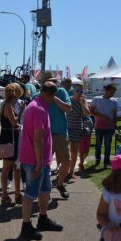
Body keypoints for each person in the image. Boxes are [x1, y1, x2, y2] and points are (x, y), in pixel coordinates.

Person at [19, 82, 63, 240]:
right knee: (30, 194)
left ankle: (43, 219)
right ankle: (26, 226)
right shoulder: (38, 109)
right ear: (49, 95)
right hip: (34, 161)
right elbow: (38, 139)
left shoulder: (39, 105)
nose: (53, 99)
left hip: (42, 160)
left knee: (45, 191)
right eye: (53, 96)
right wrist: (38, 164)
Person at [41, 71, 72, 199]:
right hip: (43, 134)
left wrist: (54, 98)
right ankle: (44, 189)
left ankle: (59, 183)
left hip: (60, 133)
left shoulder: (61, 92)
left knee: (66, 162)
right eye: (49, 82)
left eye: (54, 81)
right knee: (44, 165)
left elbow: (68, 109)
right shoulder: (38, 95)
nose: (52, 84)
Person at [0, 84, 23, 206]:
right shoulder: (8, 105)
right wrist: (22, 111)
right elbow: (14, 122)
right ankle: (5, 195)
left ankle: (17, 194)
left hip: (12, 137)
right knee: (8, 168)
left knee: (16, 168)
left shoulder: (6, 104)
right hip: (10, 138)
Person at [90, 84, 118, 168]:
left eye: (113, 93)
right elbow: (91, 111)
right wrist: (102, 116)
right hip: (99, 127)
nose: (112, 94)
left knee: (107, 144)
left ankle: (106, 160)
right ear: (106, 90)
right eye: (111, 92)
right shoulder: (96, 99)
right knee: (98, 144)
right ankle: (97, 159)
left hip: (109, 127)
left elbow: (115, 114)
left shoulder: (114, 101)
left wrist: (115, 125)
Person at [67, 83, 90, 178]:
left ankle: (71, 172)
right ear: (73, 91)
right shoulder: (68, 99)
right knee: (65, 151)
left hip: (77, 128)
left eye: (81, 91)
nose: (80, 93)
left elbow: (87, 113)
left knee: (74, 152)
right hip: (67, 127)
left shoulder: (83, 100)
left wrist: (81, 103)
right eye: (78, 91)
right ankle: (63, 168)